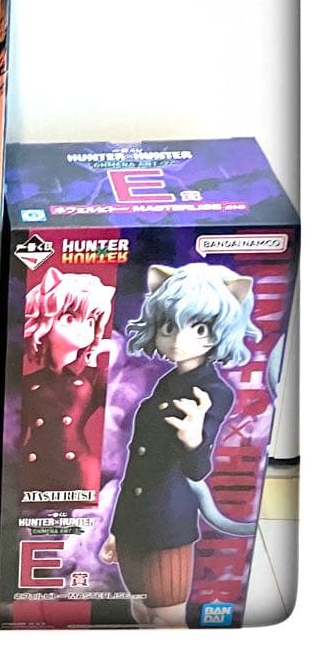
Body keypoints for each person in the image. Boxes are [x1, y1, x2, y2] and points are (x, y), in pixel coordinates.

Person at [98, 263, 260, 627]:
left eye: (199, 328)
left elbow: (196, 470)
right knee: (140, 611)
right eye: (169, 326)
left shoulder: (215, 392)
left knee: (167, 618)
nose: (177, 339)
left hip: (168, 527)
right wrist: (117, 531)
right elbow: (136, 467)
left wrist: (193, 439)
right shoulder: (166, 383)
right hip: (134, 525)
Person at [20, 268, 114, 495]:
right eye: (70, 318)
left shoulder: (95, 377)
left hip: (77, 475)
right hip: (33, 473)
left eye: (90, 321)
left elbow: (124, 418)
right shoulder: (29, 381)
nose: (83, 329)